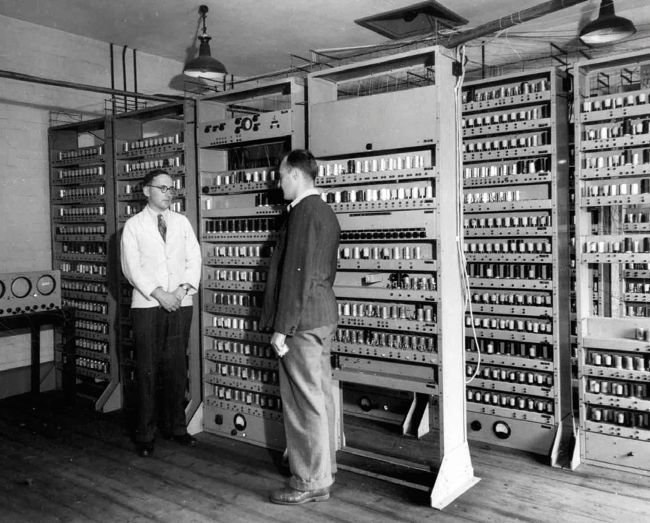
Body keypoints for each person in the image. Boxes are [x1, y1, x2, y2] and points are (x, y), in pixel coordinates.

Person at [260, 149, 341, 505]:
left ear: (295, 174)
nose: (279, 184)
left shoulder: (303, 213)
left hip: (302, 322)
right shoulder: (324, 211)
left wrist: (283, 328)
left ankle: (309, 480)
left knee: (301, 400)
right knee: (319, 395)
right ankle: (324, 469)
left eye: (281, 176)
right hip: (321, 315)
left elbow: (297, 276)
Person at [120, 168, 202, 457]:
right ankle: (145, 434)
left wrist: (180, 291)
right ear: (147, 191)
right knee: (147, 369)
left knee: (177, 367)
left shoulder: (181, 222)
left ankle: (177, 427)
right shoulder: (133, 226)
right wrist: (160, 294)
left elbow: (194, 259)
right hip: (148, 306)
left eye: (171, 188)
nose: (169, 193)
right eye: (162, 188)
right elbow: (131, 268)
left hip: (180, 303)